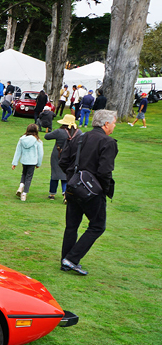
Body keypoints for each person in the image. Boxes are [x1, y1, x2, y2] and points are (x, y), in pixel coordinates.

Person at [58, 110, 118, 275]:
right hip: (93, 190)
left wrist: (73, 177)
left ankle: (67, 259)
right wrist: (102, 189)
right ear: (106, 124)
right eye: (113, 123)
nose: (114, 126)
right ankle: (71, 259)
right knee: (98, 226)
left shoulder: (79, 137)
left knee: (72, 225)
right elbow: (105, 171)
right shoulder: (108, 142)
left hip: (74, 187)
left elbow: (63, 160)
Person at [44, 114, 80, 200]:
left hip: (58, 154)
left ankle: (52, 194)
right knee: (67, 175)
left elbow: (47, 136)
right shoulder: (79, 132)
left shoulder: (59, 131)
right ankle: (65, 193)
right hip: (72, 156)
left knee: (55, 174)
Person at [11, 123, 44, 201]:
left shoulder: (22, 139)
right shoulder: (38, 141)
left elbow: (18, 151)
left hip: (24, 160)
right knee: (29, 177)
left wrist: (14, 163)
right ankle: (24, 193)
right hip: (32, 161)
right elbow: (40, 153)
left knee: (24, 174)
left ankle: (21, 186)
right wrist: (39, 163)